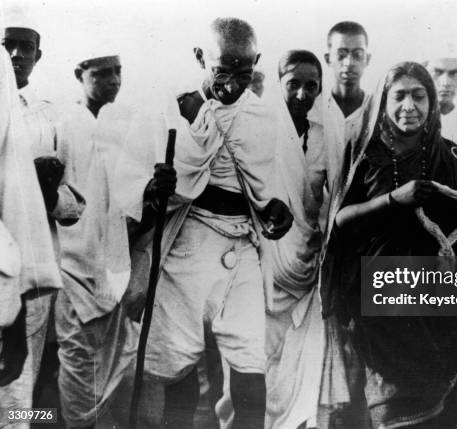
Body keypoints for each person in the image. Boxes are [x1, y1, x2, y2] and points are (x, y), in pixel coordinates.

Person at [115, 17, 293, 429]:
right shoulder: (169, 108)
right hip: (187, 244)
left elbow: (270, 188)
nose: (231, 85)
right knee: (176, 364)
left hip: (243, 249)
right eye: (221, 72)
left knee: (251, 362)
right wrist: (154, 189)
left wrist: (276, 211)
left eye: (244, 74)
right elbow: (133, 182)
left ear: (257, 63)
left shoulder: (265, 115)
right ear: (200, 57)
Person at [320, 61, 457, 428]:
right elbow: (340, 221)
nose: (408, 105)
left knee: (441, 410)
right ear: (383, 100)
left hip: (438, 307)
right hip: (381, 304)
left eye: (418, 95)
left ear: (431, 102)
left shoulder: (453, 156)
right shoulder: (364, 153)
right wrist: (394, 199)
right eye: (398, 96)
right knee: (396, 410)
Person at [0, 19, 83, 425]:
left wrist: (45, 193)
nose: (16, 55)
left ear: (38, 55)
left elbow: (74, 204)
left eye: (25, 47)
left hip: (30, 265)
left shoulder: (51, 118)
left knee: (19, 386)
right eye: (6, 45)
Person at [54, 52, 136, 429]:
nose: (113, 81)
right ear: (79, 74)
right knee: (78, 366)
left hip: (113, 268)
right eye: (102, 73)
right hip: (72, 267)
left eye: (118, 71)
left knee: (117, 364)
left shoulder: (120, 126)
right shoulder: (63, 122)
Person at [265, 50, 330, 429]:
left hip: (310, 266)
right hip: (268, 263)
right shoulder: (261, 128)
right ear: (279, 84)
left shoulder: (326, 136)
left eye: (311, 86)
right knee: (259, 362)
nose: (303, 94)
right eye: (293, 84)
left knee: (302, 367)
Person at [323, 21, 372, 165]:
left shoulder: (377, 109)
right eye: (341, 54)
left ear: (367, 59)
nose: (349, 62)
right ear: (328, 59)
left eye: (357, 55)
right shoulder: (315, 109)